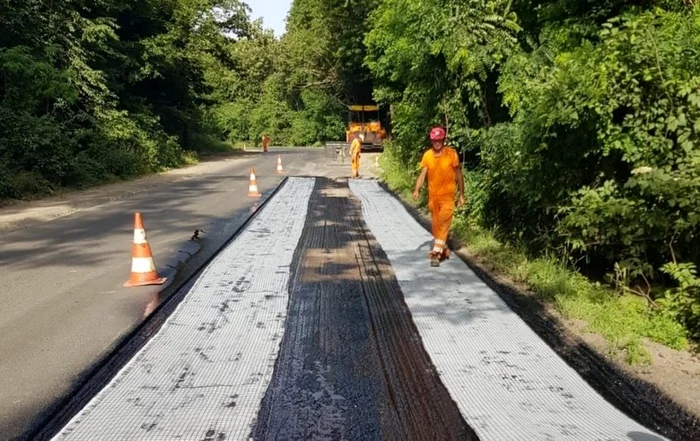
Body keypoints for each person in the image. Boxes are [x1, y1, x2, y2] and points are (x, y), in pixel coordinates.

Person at [412, 126, 465, 267]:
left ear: (443, 140)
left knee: (443, 223)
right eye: (434, 140)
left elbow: (458, 174)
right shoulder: (427, 155)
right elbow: (423, 174)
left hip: (448, 197)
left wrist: (461, 195)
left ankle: (435, 254)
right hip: (433, 198)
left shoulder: (451, 154)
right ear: (431, 141)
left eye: (439, 140)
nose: (437, 143)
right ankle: (444, 249)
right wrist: (417, 189)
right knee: (436, 228)